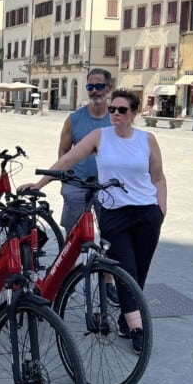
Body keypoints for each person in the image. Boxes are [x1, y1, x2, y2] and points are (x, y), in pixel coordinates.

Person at [21, 89, 166, 355]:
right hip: (114, 212)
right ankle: (137, 328)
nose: (115, 115)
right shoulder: (101, 137)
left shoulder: (147, 139)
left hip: (147, 213)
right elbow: (69, 159)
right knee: (126, 270)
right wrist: (41, 182)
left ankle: (126, 319)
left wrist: (161, 210)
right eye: (113, 110)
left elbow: (158, 177)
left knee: (140, 272)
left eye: (122, 110)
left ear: (133, 114)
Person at [57, 68, 112, 231]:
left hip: (107, 186)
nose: (94, 91)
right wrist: (65, 182)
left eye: (99, 86)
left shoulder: (116, 119)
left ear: (109, 88)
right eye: (90, 87)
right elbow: (63, 151)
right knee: (73, 238)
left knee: (111, 236)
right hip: (77, 185)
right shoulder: (74, 119)